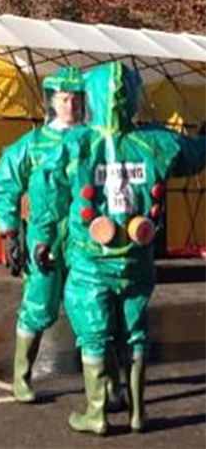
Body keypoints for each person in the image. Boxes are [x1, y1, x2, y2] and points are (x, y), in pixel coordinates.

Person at [35, 61, 206, 435]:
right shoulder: (157, 143)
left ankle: (97, 413)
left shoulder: (76, 145)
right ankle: (137, 411)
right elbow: (193, 155)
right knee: (135, 329)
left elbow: (46, 191)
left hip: (90, 260)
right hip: (137, 257)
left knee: (93, 331)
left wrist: (42, 240)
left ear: (92, 98)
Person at [0, 67, 89, 403]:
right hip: (43, 241)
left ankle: (104, 385)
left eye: (77, 98)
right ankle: (21, 377)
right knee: (37, 304)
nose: (72, 105)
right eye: (65, 98)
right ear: (52, 100)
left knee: (94, 308)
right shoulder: (32, 145)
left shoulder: (94, 141)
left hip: (86, 239)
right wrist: (9, 234)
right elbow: (5, 184)